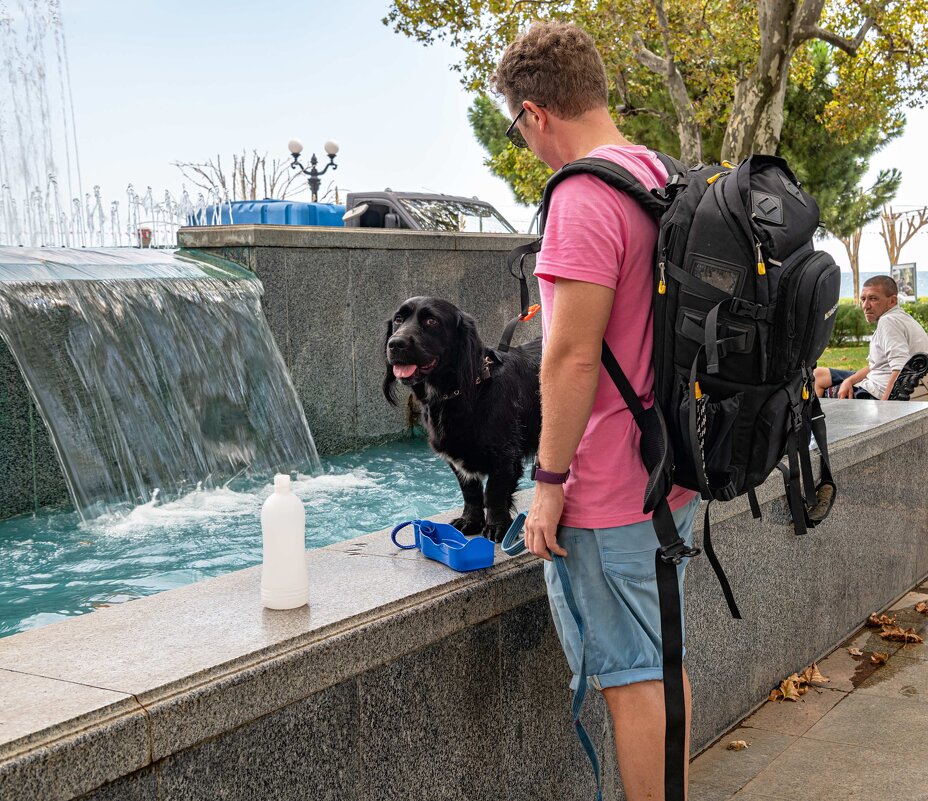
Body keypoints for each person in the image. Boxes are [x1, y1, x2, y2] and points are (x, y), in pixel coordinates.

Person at [491, 21, 700, 801]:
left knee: (633, 676)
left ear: (537, 112)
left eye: (518, 126)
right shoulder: (656, 172)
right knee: (661, 664)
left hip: (611, 488)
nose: (523, 141)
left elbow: (572, 355)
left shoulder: (583, 194)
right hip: (666, 472)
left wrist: (548, 481)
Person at [814, 275, 928, 400]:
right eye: (863, 299)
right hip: (879, 380)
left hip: (877, 392)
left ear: (892, 301)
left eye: (873, 299)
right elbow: (874, 366)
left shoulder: (888, 322)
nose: (865, 305)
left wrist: (886, 410)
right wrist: (849, 381)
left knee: (818, 389)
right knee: (818, 375)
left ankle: (814, 418)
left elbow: (900, 368)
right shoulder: (902, 318)